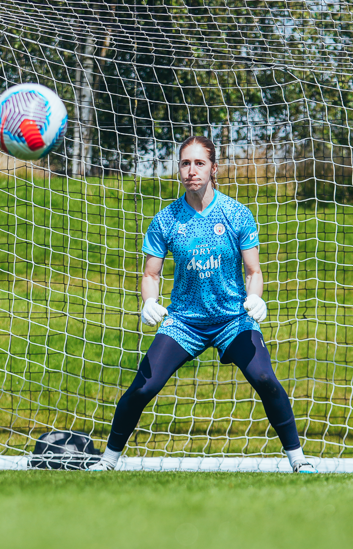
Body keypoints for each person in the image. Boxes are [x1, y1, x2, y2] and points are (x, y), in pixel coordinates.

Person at [88, 136, 316, 473]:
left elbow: (254, 271)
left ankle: (298, 460)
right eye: (185, 163)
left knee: (264, 377)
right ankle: (107, 461)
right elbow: (151, 275)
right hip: (184, 322)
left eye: (199, 163)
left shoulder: (236, 214)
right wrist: (149, 302)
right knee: (144, 385)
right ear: (178, 169)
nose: (191, 170)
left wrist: (255, 297)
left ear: (213, 168)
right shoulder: (166, 220)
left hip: (232, 320)